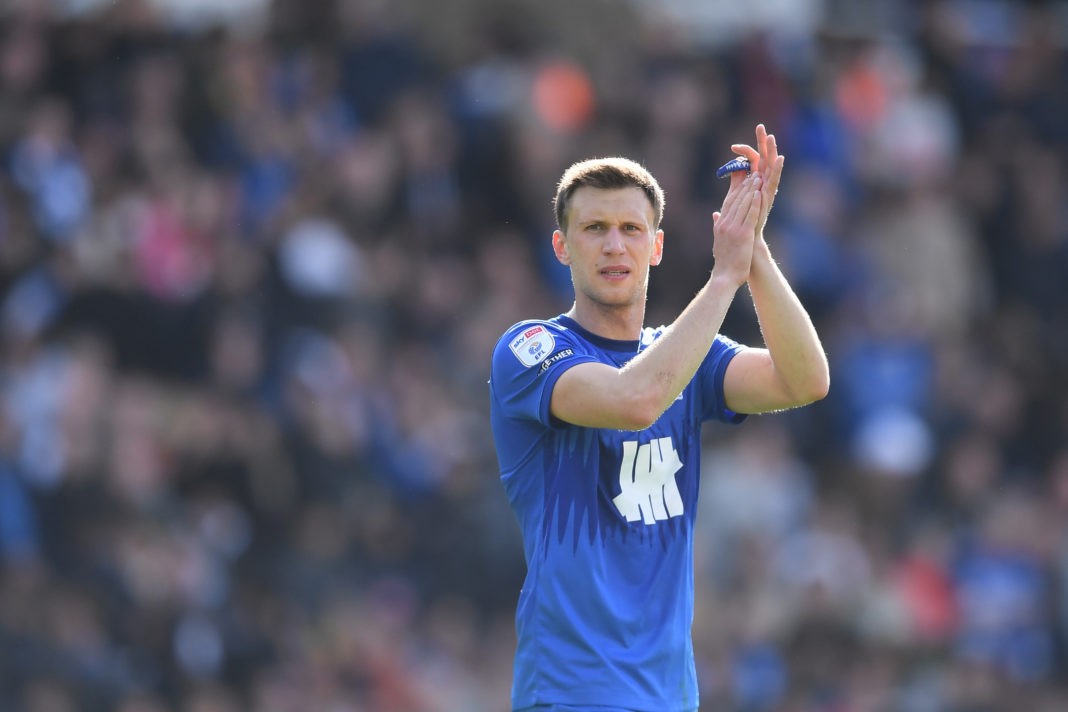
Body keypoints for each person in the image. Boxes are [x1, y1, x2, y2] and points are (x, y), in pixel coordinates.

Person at [488, 124, 830, 712]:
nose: (614, 246)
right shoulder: (531, 349)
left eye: (630, 229)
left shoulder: (684, 352)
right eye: (594, 229)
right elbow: (635, 401)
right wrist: (723, 276)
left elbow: (805, 380)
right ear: (562, 247)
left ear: (657, 246)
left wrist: (754, 254)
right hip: (574, 693)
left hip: (669, 696)